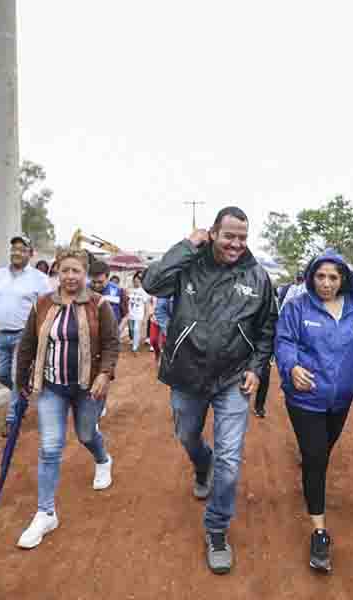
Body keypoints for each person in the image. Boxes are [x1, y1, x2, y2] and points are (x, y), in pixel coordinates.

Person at [143, 206, 278, 575]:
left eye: (243, 237)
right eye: (229, 235)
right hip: (187, 374)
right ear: (213, 233)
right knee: (187, 435)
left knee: (231, 461)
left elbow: (268, 327)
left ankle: (217, 528)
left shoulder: (258, 276)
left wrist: (256, 368)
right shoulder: (189, 263)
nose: (236, 244)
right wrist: (187, 244)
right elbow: (151, 282)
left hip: (233, 379)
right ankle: (202, 465)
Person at [275, 250, 353, 573]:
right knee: (317, 457)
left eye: (333, 277)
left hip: (340, 399)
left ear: (343, 278)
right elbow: (284, 342)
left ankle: (311, 467)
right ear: (311, 277)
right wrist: (291, 368)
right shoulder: (296, 307)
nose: (326, 283)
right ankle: (319, 531)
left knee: (323, 452)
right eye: (320, 276)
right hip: (305, 398)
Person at [14, 246, 119, 549]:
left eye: (76, 271)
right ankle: (46, 513)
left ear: (85, 273)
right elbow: (27, 344)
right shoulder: (43, 304)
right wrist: (20, 382)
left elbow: (112, 345)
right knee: (49, 448)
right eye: (65, 270)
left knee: (86, 433)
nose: (70, 276)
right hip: (52, 388)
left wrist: (104, 374)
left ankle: (103, 459)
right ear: (57, 272)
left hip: (88, 388)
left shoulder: (99, 305)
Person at [0, 235, 51, 437]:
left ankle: (12, 420)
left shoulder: (40, 279)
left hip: (25, 336)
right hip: (1, 335)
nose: (17, 252)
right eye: (14, 249)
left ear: (30, 253)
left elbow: (46, 309)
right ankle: (22, 392)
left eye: (22, 249)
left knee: (14, 376)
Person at [127, 271, 150, 352]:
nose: (137, 281)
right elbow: (127, 301)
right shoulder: (129, 290)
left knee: (136, 330)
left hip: (139, 315)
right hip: (130, 314)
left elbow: (147, 305)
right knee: (131, 330)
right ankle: (134, 341)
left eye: (139, 280)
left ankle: (135, 347)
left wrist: (146, 317)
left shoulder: (144, 291)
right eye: (135, 280)